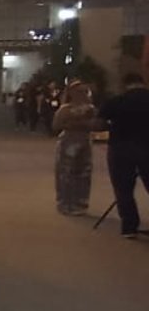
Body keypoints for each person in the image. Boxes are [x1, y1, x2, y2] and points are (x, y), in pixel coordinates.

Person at [99, 72, 149, 238]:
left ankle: (129, 227)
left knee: (123, 189)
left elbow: (100, 123)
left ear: (124, 84)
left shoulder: (117, 100)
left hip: (120, 149)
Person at [51, 82, 99, 214]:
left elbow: (97, 124)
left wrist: (87, 123)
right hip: (68, 141)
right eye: (79, 91)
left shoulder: (91, 109)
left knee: (84, 172)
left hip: (85, 141)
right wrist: (74, 122)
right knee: (66, 173)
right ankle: (65, 203)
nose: (83, 94)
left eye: (85, 91)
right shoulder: (65, 109)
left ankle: (81, 203)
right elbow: (56, 125)